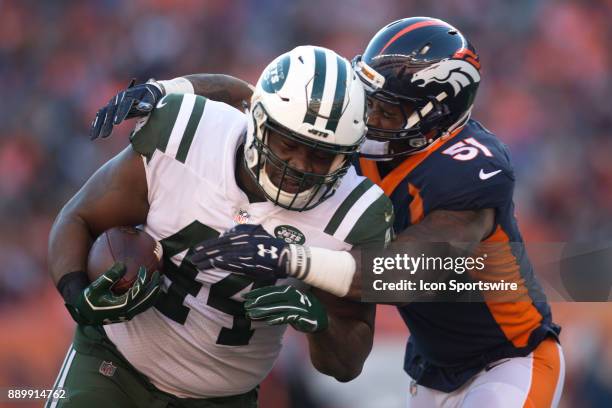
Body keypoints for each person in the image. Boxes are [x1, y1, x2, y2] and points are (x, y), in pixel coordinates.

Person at [94, 17, 565, 407]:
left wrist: (290, 259)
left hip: (510, 356)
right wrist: (170, 90)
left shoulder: (470, 170)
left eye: (387, 110)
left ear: (437, 114)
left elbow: (401, 274)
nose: (369, 115)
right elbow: (256, 99)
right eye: (369, 98)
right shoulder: (352, 139)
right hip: (431, 365)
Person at [47, 45, 394, 408]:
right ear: (259, 122)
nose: (299, 165)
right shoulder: (187, 134)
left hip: (221, 400)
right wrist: (78, 299)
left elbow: (346, 363)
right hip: (112, 368)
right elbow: (78, 218)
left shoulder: (354, 214)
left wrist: (320, 324)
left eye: (321, 155)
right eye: (288, 143)